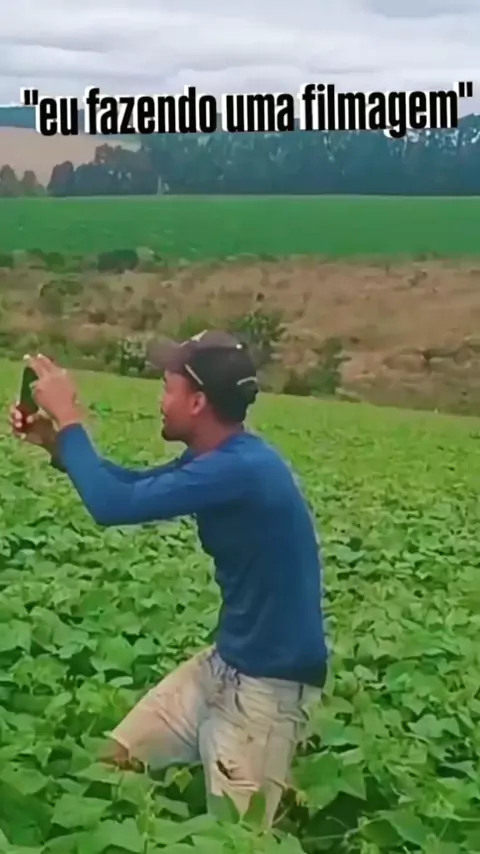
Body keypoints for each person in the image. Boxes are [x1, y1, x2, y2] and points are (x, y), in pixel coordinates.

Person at [9, 331, 328, 827]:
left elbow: (113, 506)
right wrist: (57, 443)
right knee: (114, 763)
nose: (160, 401)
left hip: (268, 688)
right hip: (224, 664)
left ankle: (279, 790)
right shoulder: (220, 459)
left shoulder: (242, 470)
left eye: (167, 388)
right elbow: (134, 487)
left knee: (239, 839)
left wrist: (70, 418)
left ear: (197, 402)